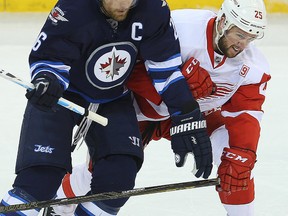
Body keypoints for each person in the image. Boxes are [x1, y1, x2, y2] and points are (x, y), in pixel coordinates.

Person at [42, 0, 271, 215]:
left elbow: (246, 112)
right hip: (139, 108)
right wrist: (179, 88)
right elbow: (126, 65)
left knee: (237, 167)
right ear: (223, 22)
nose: (242, 44)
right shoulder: (181, 28)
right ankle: (60, 203)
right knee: (104, 171)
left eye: (250, 38)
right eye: (239, 34)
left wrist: (243, 152)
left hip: (194, 115)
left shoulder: (252, 66)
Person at [0, 0, 214, 215]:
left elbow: (165, 69)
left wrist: (186, 112)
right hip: (62, 94)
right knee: (40, 179)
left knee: (118, 180)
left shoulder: (153, 7)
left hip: (114, 98)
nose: (122, 5)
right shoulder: (73, 7)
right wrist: (47, 81)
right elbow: (49, 58)